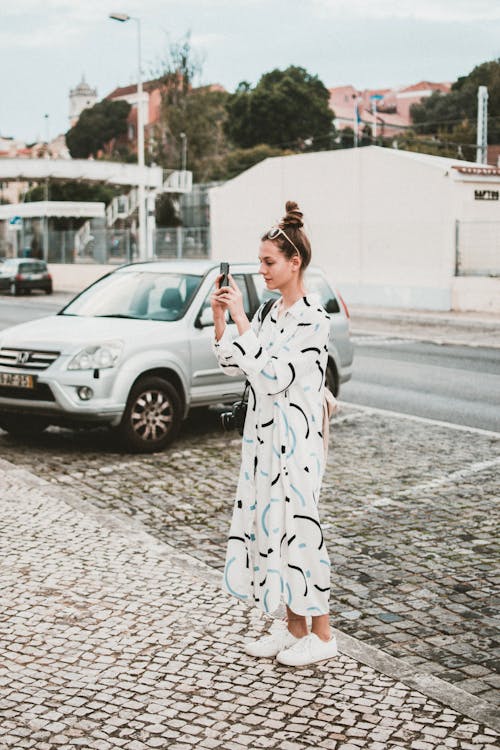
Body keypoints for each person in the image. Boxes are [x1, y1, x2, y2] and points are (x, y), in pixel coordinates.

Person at [211, 201, 338, 667]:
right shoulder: (270, 313)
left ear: (294, 262)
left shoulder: (314, 320)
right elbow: (234, 365)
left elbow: (270, 374)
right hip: (262, 442)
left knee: (302, 534)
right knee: (270, 534)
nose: (261, 270)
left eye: (269, 262)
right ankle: (292, 629)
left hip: (297, 445)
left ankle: (322, 636)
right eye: (261, 261)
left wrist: (243, 323)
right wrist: (224, 320)